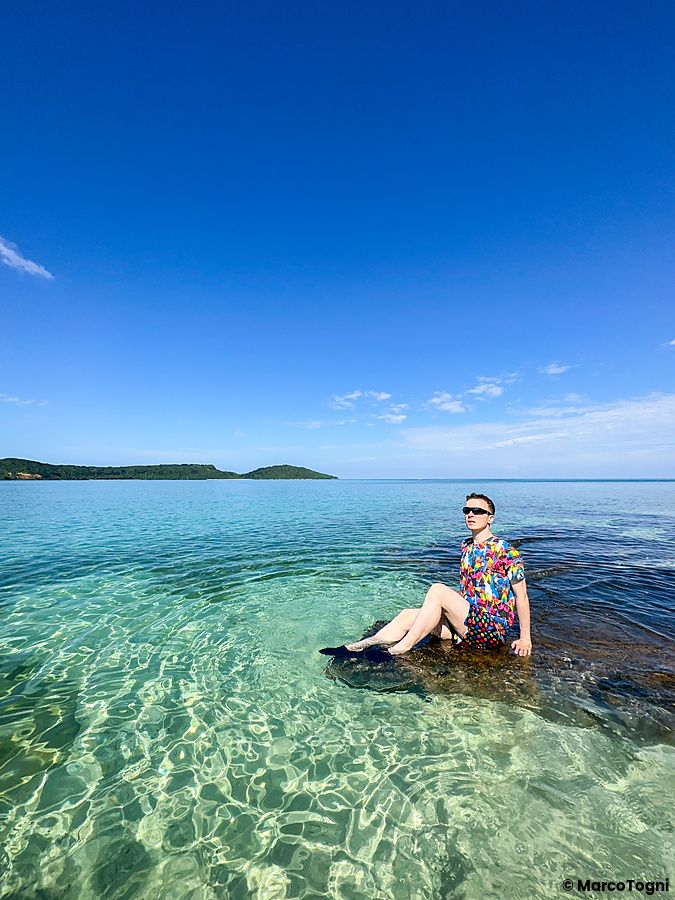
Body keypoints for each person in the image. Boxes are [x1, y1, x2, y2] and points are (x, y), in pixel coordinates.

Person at [337, 493, 532, 657]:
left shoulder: (506, 551)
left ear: (490, 518)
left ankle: (400, 649)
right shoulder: (467, 546)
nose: (471, 514)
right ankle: (359, 646)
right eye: (467, 511)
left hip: (490, 630)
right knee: (407, 615)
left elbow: (521, 595)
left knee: (438, 590)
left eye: (478, 511)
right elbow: (471, 589)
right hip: (465, 625)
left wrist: (525, 638)